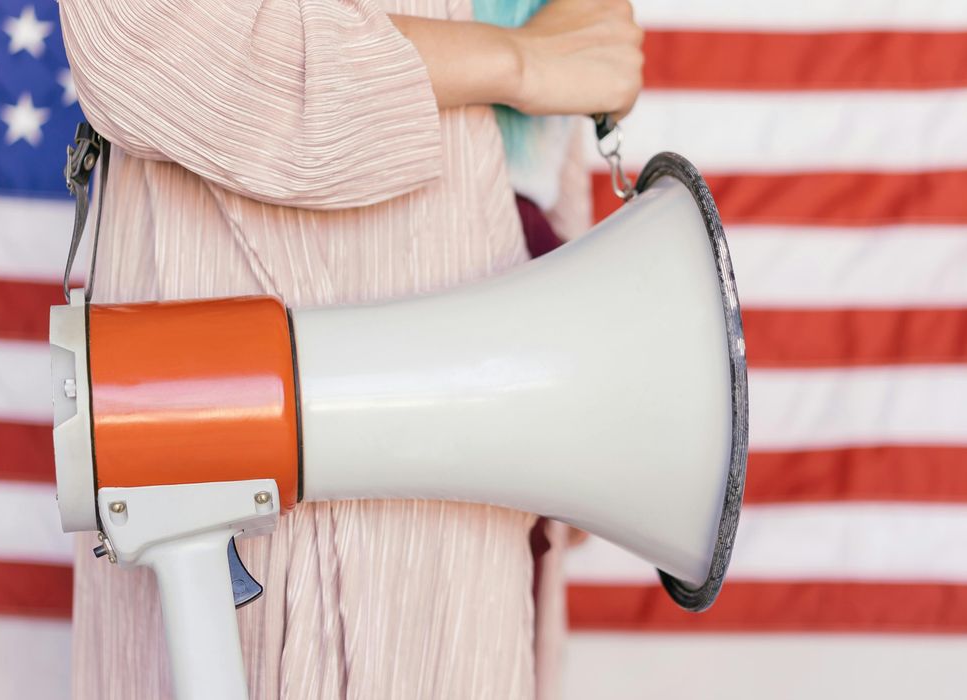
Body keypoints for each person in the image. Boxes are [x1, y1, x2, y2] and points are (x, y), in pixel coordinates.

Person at [57, 0, 643, 697]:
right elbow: (150, 44)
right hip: (244, 337)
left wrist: (572, 371)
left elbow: (546, 136)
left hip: (493, 352)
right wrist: (521, 60)